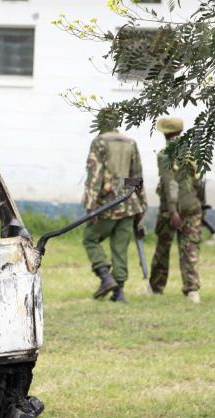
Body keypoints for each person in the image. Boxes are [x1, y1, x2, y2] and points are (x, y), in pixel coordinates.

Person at [81, 118, 147, 303]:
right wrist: (141, 204)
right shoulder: (130, 142)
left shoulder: (100, 142)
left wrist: (91, 205)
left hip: (106, 205)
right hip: (129, 203)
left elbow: (95, 175)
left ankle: (105, 277)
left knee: (90, 239)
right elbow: (136, 176)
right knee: (120, 248)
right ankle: (119, 293)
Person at [151, 117, 202, 304]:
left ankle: (156, 287)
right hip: (193, 205)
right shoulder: (194, 152)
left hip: (170, 209)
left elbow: (169, 182)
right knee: (190, 248)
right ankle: (192, 290)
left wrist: (173, 210)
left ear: (165, 133)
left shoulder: (165, 154)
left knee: (163, 247)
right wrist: (201, 206)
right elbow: (199, 181)